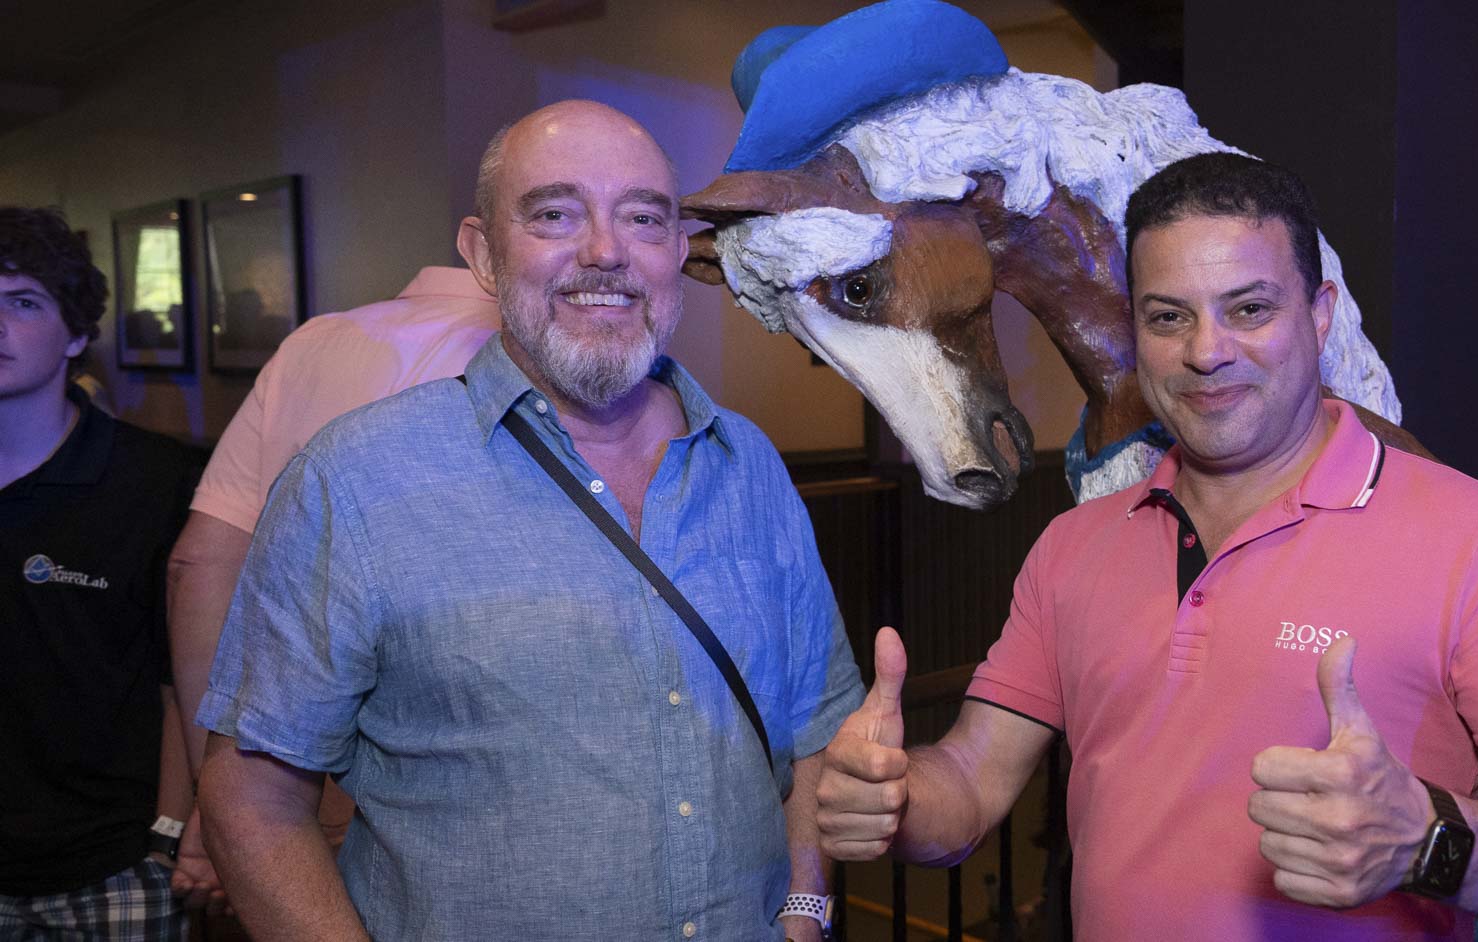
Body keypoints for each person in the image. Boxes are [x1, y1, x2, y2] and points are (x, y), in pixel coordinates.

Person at [816, 154, 1478, 940]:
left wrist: (1427, 838)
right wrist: (893, 799)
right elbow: (967, 784)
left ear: (1320, 316)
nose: (1206, 352)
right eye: (1168, 316)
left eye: (1249, 309)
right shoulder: (1074, 546)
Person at [195, 100, 862, 942]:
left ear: (675, 253)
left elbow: (815, 727)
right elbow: (250, 796)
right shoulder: (354, 482)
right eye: (554, 214)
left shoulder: (749, 465)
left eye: (644, 219)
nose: (605, 253)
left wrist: (803, 911)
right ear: (482, 253)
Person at [164, 265, 498, 901]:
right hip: (429, 774)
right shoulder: (524, 359)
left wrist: (219, 788)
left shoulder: (314, 342)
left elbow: (200, 564)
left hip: (286, 752)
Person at [1, 206, 204, 941]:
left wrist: (172, 834)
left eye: (22, 302)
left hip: (112, 866)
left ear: (78, 335)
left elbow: (185, 678)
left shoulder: (157, 484)